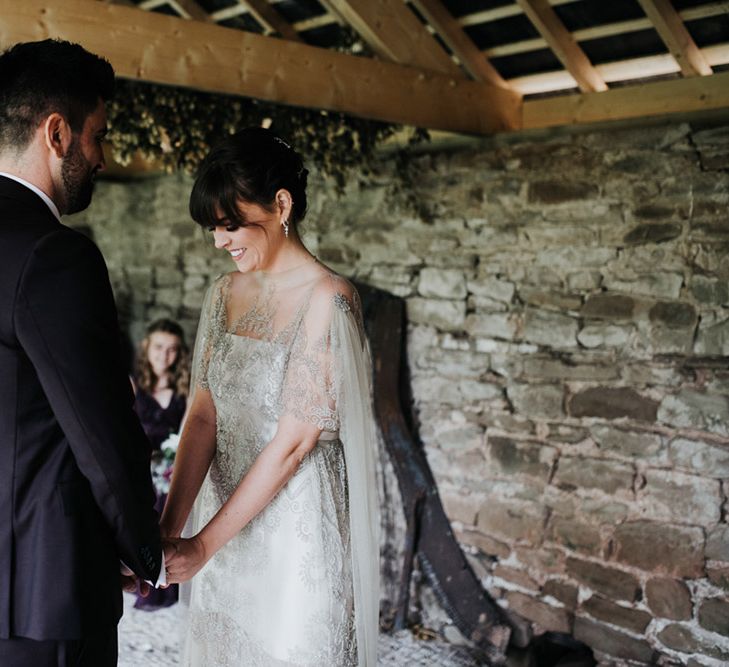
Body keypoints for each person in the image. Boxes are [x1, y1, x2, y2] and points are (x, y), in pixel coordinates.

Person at [159, 127, 380, 666]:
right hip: (225, 523)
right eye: (213, 228)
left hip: (296, 535)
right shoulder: (222, 294)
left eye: (230, 224)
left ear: (280, 204)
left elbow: (294, 441)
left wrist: (204, 545)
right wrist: (168, 535)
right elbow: (203, 416)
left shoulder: (330, 298)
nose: (219, 241)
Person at [0, 39, 164, 666]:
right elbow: (101, 434)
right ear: (58, 133)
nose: (103, 156)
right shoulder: (54, 257)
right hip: (43, 591)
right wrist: (144, 552)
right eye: (99, 135)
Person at [132, 318, 190, 609]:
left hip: (172, 470)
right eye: (158, 347)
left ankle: (169, 581)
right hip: (139, 471)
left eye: (172, 349)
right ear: (146, 347)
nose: (164, 355)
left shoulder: (186, 391)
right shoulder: (132, 385)